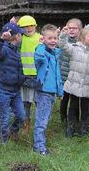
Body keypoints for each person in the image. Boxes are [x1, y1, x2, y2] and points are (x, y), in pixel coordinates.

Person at [59, 26, 89, 137]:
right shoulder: (75, 48)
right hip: (74, 83)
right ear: (82, 37)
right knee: (73, 106)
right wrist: (63, 35)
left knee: (85, 107)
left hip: (87, 84)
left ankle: (83, 128)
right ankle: (70, 128)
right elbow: (63, 46)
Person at [0, 22, 26, 144]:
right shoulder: (4, 50)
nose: (22, 37)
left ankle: (13, 131)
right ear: (16, 36)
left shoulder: (16, 50)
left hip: (15, 90)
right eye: (21, 35)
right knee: (4, 117)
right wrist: (1, 39)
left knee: (21, 116)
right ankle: (3, 141)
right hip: (3, 90)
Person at [33, 24, 63, 155]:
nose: (53, 41)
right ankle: (39, 147)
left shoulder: (54, 55)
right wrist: (40, 45)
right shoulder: (41, 53)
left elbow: (57, 76)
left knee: (46, 118)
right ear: (43, 39)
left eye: (55, 38)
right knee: (41, 121)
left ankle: (40, 143)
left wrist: (60, 91)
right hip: (43, 91)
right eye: (49, 38)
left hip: (51, 92)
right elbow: (39, 57)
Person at [17, 15, 41, 135]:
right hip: (24, 77)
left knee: (39, 103)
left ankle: (40, 126)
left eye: (31, 25)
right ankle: (25, 126)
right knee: (25, 103)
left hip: (38, 77)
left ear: (35, 26)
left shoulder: (40, 38)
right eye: (25, 26)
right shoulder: (19, 39)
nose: (28, 28)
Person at [59, 18, 82, 125]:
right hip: (64, 75)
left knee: (75, 99)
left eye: (74, 28)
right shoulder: (63, 41)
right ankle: (63, 119)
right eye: (69, 28)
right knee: (64, 99)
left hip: (76, 76)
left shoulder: (82, 42)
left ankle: (75, 120)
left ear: (80, 29)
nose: (72, 30)